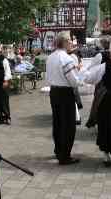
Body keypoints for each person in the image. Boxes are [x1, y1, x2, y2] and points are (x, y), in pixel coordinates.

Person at [46, 32, 82, 165]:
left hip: (54, 91)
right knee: (68, 125)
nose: (72, 43)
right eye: (70, 41)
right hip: (65, 93)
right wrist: (81, 80)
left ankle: (58, 150)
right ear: (65, 42)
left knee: (57, 122)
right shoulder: (66, 59)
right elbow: (73, 80)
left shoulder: (50, 57)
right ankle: (65, 155)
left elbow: (48, 77)